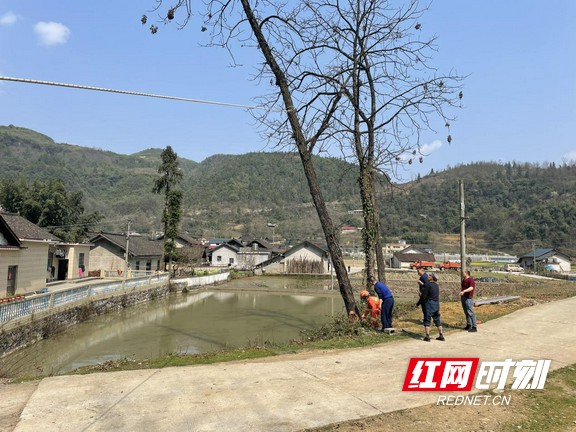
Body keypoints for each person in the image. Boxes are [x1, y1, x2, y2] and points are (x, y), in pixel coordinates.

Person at [416, 273, 445, 342]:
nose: (428, 276)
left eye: (430, 275)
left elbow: (423, 297)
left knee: (427, 319)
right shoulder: (436, 285)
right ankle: (441, 335)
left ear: (432, 278)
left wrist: (418, 303)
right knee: (437, 319)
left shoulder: (428, 286)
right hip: (436, 304)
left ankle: (427, 336)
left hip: (429, 304)